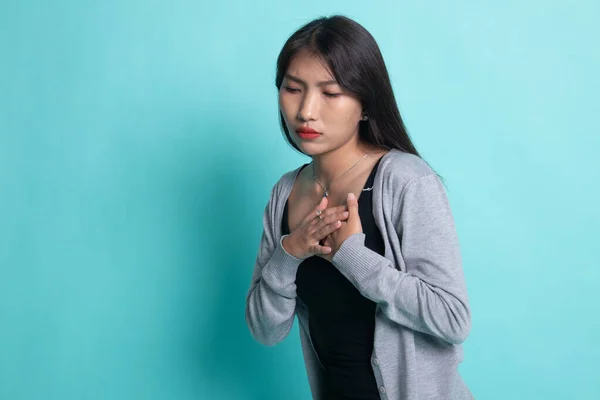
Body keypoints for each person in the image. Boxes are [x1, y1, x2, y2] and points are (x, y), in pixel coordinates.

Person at [245, 15, 473, 400]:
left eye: (330, 93)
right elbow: (266, 331)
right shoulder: (285, 192)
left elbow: (452, 318)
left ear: (366, 104)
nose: (306, 111)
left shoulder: (405, 180)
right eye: (293, 89)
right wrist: (288, 254)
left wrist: (355, 259)